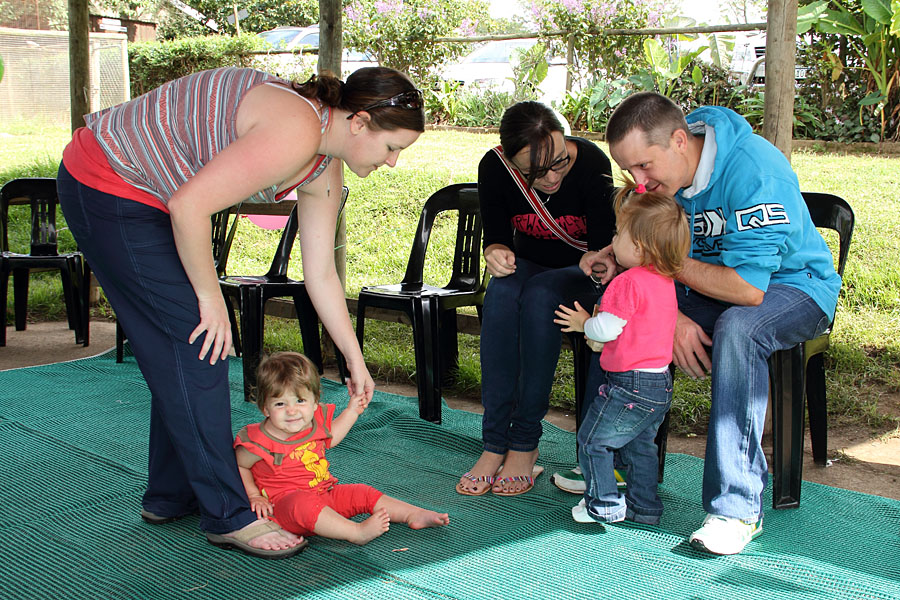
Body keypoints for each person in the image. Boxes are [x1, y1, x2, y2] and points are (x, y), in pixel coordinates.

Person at [56, 66, 425, 559]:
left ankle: (171, 496)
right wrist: (211, 300)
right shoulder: (298, 129)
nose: (394, 162)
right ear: (358, 122)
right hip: (109, 180)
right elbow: (190, 207)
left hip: (147, 192)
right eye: (391, 147)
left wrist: (354, 361)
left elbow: (321, 275)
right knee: (203, 346)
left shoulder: (324, 162)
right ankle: (228, 516)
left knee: (185, 350)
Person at [593, 92, 841, 554]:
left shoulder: (754, 171)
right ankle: (619, 460)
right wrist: (668, 313)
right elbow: (652, 257)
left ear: (680, 141)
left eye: (645, 166)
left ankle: (736, 508)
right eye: (629, 171)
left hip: (795, 286)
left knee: (740, 328)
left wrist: (665, 279)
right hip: (706, 284)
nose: (639, 183)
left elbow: (749, 291)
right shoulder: (666, 177)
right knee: (621, 309)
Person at [455, 101, 616, 497]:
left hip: (579, 275)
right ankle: (494, 443)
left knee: (542, 295)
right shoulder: (495, 167)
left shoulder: (592, 161)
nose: (552, 177)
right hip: (528, 267)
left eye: (559, 162)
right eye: (536, 172)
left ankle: (524, 442)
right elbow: (495, 233)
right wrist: (494, 251)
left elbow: (605, 250)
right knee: (503, 293)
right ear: (512, 162)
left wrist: (598, 259)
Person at [554, 183, 689, 525]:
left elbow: (607, 329)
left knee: (592, 441)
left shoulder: (627, 283)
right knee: (640, 447)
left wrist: (585, 323)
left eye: (619, 234)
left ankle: (604, 504)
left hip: (628, 385)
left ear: (639, 246)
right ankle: (645, 508)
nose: (612, 241)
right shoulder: (663, 280)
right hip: (659, 383)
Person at [235, 352, 449, 545]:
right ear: (265, 408)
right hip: (286, 508)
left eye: (300, 401)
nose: (292, 411)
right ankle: (355, 532)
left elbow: (333, 436)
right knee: (302, 503)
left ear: (315, 402)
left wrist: (352, 411)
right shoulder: (259, 440)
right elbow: (240, 466)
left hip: (324, 494)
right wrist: (254, 495)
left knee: (362, 492)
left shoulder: (314, 422)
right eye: (280, 404)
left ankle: (412, 514)